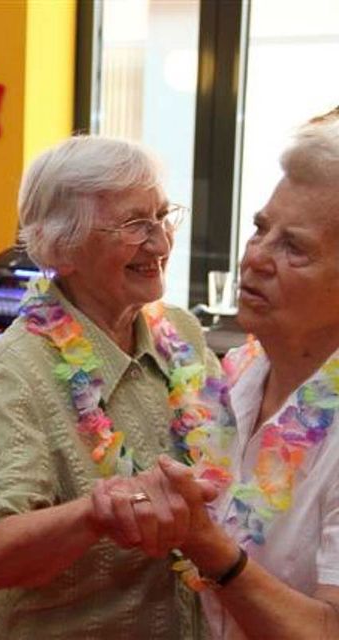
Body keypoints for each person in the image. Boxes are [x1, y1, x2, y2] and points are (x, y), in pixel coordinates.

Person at [0, 135, 221, 639]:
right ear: (61, 248)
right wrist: (99, 513)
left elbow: (231, 458)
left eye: (161, 217)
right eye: (135, 225)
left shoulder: (181, 334)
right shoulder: (10, 371)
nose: (160, 243)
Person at [152, 113, 339, 638]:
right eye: (260, 228)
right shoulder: (233, 379)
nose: (255, 257)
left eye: (293, 247)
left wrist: (211, 551)